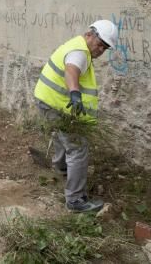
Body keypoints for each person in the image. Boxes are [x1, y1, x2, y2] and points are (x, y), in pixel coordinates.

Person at [32, 19, 118, 213]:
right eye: (100, 45)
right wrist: (75, 93)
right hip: (56, 104)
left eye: (105, 48)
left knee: (61, 137)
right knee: (78, 148)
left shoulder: (77, 45)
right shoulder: (80, 52)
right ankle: (76, 200)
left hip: (48, 100)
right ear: (90, 35)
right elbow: (72, 70)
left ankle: (61, 168)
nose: (100, 51)